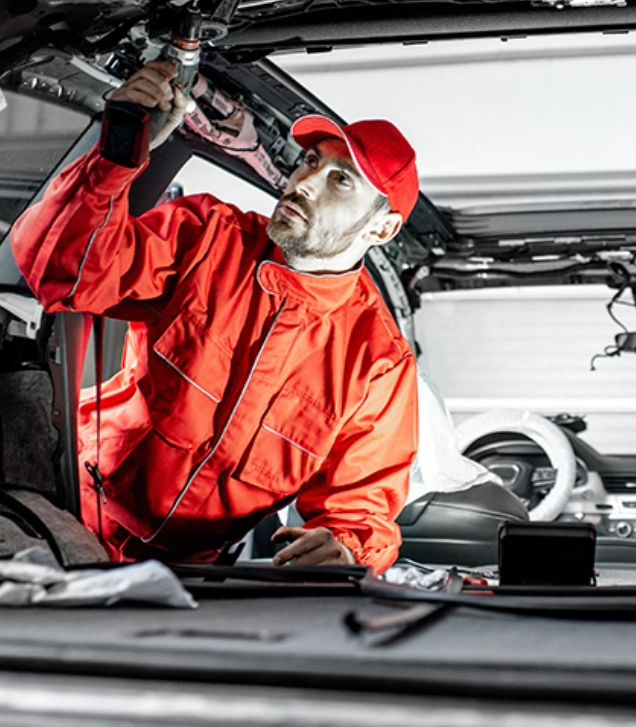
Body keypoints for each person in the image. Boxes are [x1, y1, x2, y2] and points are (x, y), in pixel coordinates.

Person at [11, 60, 421, 573]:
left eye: (340, 180)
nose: (305, 183)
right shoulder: (208, 235)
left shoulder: (377, 362)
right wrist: (117, 151)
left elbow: (361, 505)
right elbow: (61, 269)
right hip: (68, 502)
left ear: (380, 230)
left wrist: (346, 547)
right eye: (310, 161)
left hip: (191, 570)